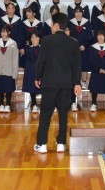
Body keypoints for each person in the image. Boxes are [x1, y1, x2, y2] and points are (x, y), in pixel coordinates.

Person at [34, 12, 82, 154]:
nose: (50, 27)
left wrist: (37, 77)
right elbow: (77, 65)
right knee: (63, 114)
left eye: (51, 24)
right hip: (66, 84)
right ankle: (61, 143)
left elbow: (41, 61)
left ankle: (42, 144)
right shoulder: (73, 42)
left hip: (49, 83)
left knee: (46, 113)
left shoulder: (46, 40)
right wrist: (77, 83)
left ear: (55, 25)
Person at [0, 25, 19, 112]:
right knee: (0, 89)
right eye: (2, 31)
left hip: (9, 71)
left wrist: (15, 73)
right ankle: (1, 104)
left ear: (9, 32)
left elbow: (15, 59)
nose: (3, 33)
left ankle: (8, 105)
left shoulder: (13, 43)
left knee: (9, 89)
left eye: (5, 31)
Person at [68, 5, 93, 99]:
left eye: (80, 12)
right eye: (76, 12)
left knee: (84, 65)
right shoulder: (70, 22)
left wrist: (84, 45)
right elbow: (69, 35)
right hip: (73, 48)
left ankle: (84, 82)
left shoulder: (87, 22)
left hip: (85, 48)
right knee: (75, 65)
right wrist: (76, 46)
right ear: (74, 13)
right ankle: (75, 82)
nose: (78, 14)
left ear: (82, 13)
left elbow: (90, 35)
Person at [87, 30, 105, 112]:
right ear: (96, 37)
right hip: (96, 71)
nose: (100, 37)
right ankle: (94, 103)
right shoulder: (92, 47)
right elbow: (91, 60)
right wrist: (98, 69)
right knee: (94, 87)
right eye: (98, 35)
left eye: (102, 35)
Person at [22, 31, 42, 113]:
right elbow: (29, 56)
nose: (34, 39)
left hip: (41, 69)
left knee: (43, 87)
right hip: (30, 69)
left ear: (39, 38)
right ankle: (34, 104)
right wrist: (34, 47)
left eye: (36, 37)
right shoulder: (28, 48)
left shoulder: (43, 47)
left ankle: (45, 105)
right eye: (32, 37)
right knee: (31, 87)